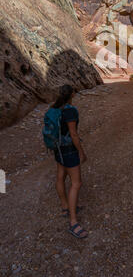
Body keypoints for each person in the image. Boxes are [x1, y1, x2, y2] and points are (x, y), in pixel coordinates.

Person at [52, 85, 88, 239]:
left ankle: (65, 207)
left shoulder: (55, 108)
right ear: (72, 94)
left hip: (58, 148)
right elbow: (73, 134)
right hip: (68, 149)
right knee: (76, 183)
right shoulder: (70, 110)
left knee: (61, 175)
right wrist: (81, 151)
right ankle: (73, 223)